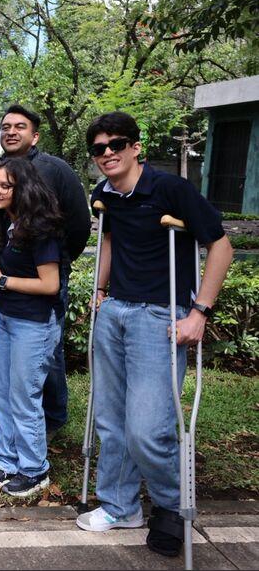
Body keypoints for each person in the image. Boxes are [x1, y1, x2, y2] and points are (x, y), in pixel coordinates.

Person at [76, 112, 232, 558]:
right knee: (110, 418)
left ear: (135, 146)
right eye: (99, 148)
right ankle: (120, 505)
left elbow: (220, 245)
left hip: (160, 315)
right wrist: (101, 290)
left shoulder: (170, 189)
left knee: (148, 429)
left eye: (116, 144)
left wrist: (199, 311)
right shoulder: (103, 195)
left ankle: (170, 503)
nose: (107, 153)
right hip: (115, 311)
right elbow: (108, 243)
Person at [0, 157, 63, 497]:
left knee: (24, 398)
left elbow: (50, 284)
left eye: (4, 185)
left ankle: (35, 469)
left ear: (22, 188)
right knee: (0, 394)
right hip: (8, 320)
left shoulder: (41, 229)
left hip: (34, 325)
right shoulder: (6, 224)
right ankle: (6, 462)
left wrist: (1, 280)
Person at [0, 105, 91, 438]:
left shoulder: (55, 170)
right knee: (15, 346)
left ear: (34, 135)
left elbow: (80, 223)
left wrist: (59, 259)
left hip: (47, 272)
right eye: (5, 126)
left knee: (45, 346)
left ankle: (52, 416)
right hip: (8, 274)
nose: (11, 131)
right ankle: (19, 413)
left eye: (19, 126)